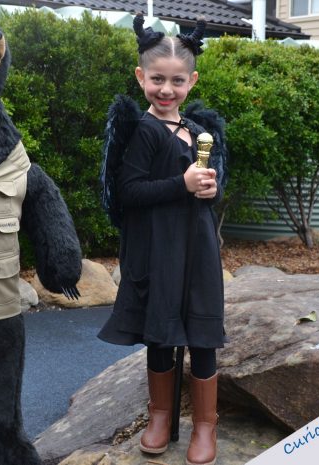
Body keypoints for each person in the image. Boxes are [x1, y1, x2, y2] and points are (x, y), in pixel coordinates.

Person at [97, 13, 227, 465]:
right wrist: (182, 184)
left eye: (176, 81)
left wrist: (209, 188)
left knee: (203, 333)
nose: (166, 90)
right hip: (159, 251)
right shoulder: (143, 130)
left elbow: (208, 186)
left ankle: (206, 424)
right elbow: (128, 192)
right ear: (141, 77)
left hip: (199, 248)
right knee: (161, 332)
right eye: (157, 79)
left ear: (191, 81)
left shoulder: (198, 130)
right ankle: (160, 415)